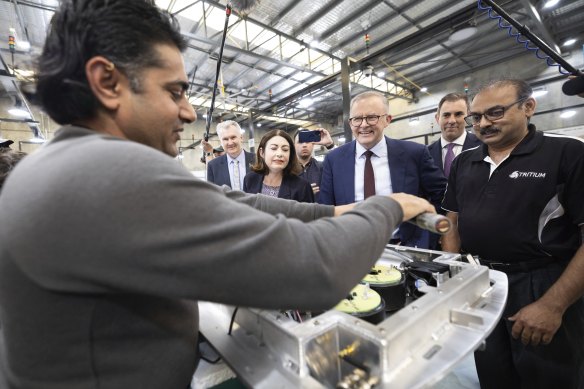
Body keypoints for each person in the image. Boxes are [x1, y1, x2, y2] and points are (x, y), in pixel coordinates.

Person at [0, 1, 435, 388]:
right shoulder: (103, 175)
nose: (188, 112)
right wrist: (390, 205)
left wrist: (338, 209)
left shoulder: (63, 163)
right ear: (107, 82)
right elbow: (315, 269)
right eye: (174, 91)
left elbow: (233, 201)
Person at [441, 79, 584, 389]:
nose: (483, 124)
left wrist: (552, 305)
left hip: (542, 283)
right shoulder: (466, 161)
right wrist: (459, 275)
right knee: (493, 372)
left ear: (528, 107)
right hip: (482, 282)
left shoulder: (567, 153)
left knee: (548, 375)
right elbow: (452, 219)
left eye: (495, 112)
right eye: (476, 117)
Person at [319, 91, 447, 248]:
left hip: (403, 248)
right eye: (357, 119)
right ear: (350, 123)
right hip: (351, 249)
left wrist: (427, 236)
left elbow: (443, 196)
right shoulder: (334, 160)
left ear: (387, 120)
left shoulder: (414, 154)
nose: (364, 125)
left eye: (372, 117)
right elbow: (326, 209)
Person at [244, 129, 314, 202]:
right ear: (262, 152)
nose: (280, 154)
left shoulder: (302, 186)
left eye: (285, 150)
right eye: (274, 148)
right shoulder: (249, 180)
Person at [427, 92, 482, 177]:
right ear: (437, 119)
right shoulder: (426, 154)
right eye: (446, 115)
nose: (452, 121)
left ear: (468, 117)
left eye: (458, 114)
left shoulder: (484, 146)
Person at [206, 120, 254, 189]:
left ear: (241, 138)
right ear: (221, 142)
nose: (230, 143)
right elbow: (211, 194)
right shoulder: (213, 166)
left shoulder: (258, 160)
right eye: (225, 139)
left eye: (233, 137)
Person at [294, 128, 334, 202]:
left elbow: (341, 166)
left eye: (308, 141)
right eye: (300, 142)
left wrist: (329, 144)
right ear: (294, 145)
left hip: (321, 212)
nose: (304, 145)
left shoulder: (323, 168)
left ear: (313, 144)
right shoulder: (287, 171)